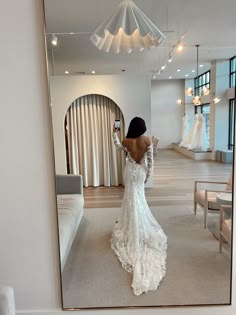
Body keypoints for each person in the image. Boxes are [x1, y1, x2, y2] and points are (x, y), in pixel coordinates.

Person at [110, 117, 167, 296]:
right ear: (142, 127)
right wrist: (148, 175)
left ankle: (128, 225)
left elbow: (118, 147)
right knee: (139, 198)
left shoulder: (127, 141)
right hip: (140, 173)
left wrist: (114, 133)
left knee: (129, 198)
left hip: (129, 172)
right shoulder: (147, 140)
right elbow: (150, 161)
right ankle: (136, 224)